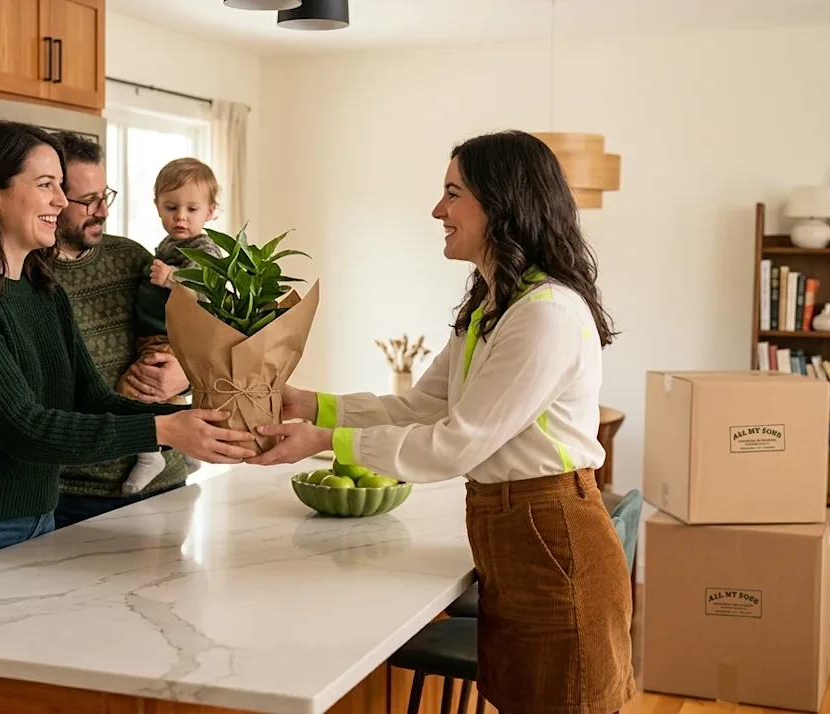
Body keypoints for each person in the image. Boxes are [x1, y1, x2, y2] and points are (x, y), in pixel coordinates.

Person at [248, 130, 635, 714]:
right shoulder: (493, 306)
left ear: (501, 203)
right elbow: (423, 407)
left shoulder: (545, 315)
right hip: (514, 528)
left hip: (551, 534)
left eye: (453, 194)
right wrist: (311, 405)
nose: (438, 210)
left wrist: (326, 442)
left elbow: (457, 444)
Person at [0, 121, 256, 585]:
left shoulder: (43, 290)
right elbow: (24, 429)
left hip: (39, 520)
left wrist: (204, 422)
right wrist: (165, 427)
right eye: (46, 185)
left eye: (61, 187)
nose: (62, 202)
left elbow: (90, 397)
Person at [47, 132, 196, 527]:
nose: (101, 211)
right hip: (73, 494)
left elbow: (199, 331)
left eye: (105, 196)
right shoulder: (27, 273)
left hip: (165, 482)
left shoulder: (133, 258)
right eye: (87, 201)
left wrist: (184, 375)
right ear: (53, 196)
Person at [117, 157, 226, 494]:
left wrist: (171, 278)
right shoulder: (170, 244)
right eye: (171, 207)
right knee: (166, 395)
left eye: (192, 209)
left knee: (134, 390)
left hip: (173, 336)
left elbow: (210, 290)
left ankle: (150, 454)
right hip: (155, 332)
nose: (180, 216)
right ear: (157, 207)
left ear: (210, 212)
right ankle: (186, 451)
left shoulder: (204, 249)